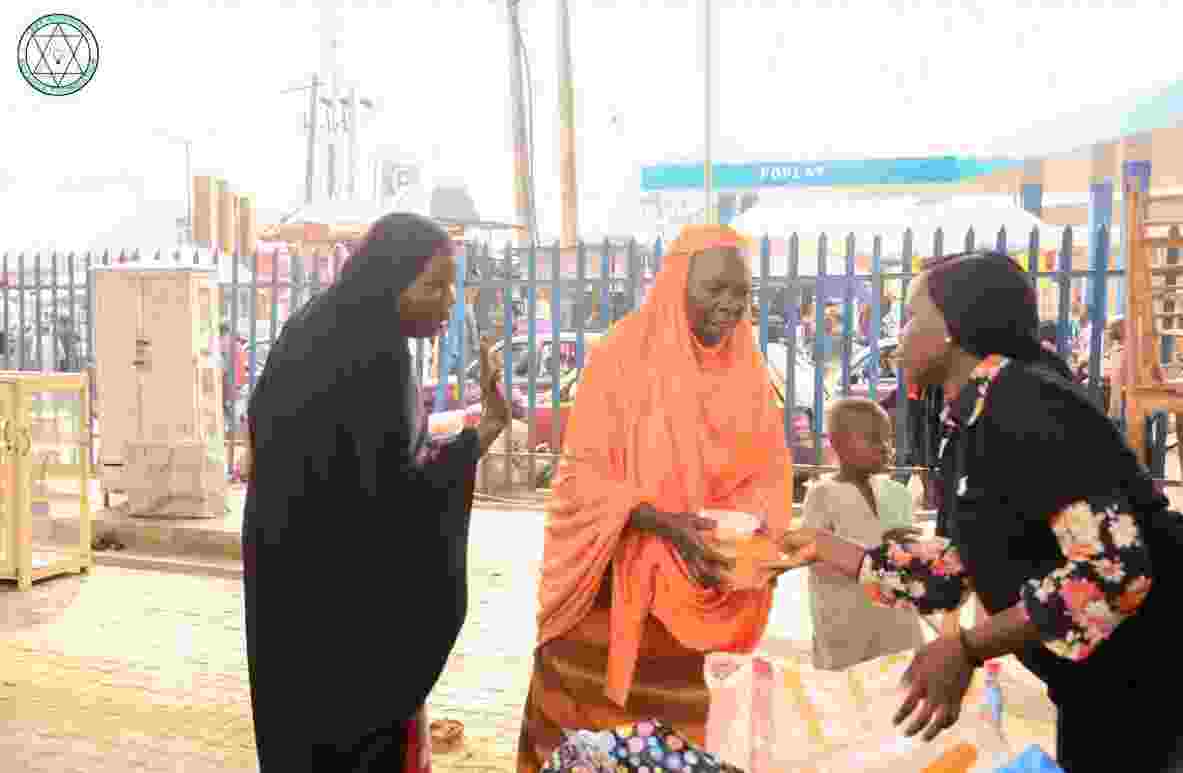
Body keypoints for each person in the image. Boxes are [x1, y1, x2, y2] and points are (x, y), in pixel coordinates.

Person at [777, 250, 1183, 771]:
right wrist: (820, 546)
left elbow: (1115, 573)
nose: (899, 335)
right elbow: (957, 568)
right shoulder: (974, 418)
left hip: (1152, 679)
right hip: (1102, 685)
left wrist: (968, 646)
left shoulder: (1027, 406)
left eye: (912, 317)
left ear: (951, 330)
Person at [516, 224, 794, 772]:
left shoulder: (749, 370)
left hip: (710, 589)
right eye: (715, 289)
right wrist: (662, 522)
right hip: (608, 599)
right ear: (675, 284)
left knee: (694, 745)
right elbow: (580, 480)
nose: (730, 305)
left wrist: (757, 539)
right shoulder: (620, 355)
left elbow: (768, 474)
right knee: (585, 749)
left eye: (741, 292)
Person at [242, 213, 513, 772]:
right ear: (391, 279)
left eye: (451, 286)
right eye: (433, 285)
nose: (448, 301)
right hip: (345, 624)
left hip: (287, 595)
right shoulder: (377, 354)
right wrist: (482, 432)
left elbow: (354, 464)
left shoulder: (314, 326)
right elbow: (396, 501)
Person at [804, 397, 925, 670]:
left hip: (897, 621)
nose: (885, 447)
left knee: (900, 677)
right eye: (873, 439)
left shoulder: (897, 493)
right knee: (850, 687)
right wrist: (871, 559)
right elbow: (814, 554)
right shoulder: (822, 495)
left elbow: (911, 553)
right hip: (846, 621)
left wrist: (911, 551)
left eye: (888, 439)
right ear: (838, 444)